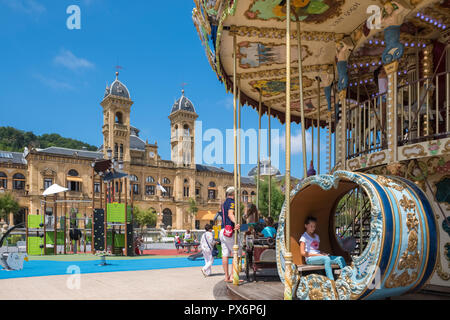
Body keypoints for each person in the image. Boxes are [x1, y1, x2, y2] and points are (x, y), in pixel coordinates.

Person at [299, 216, 346, 281]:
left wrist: (323, 253)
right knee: (326, 259)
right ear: (306, 225)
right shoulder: (304, 237)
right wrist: (319, 255)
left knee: (339, 258)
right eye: (311, 226)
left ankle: (346, 277)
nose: (313, 228)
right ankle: (331, 281)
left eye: (314, 226)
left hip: (320, 257)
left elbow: (316, 250)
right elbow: (303, 253)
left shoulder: (316, 236)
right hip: (310, 259)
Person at [219, 186, 241, 283]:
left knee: (225, 254)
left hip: (223, 230)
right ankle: (232, 276)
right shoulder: (232, 202)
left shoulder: (224, 203)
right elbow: (230, 214)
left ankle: (226, 276)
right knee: (238, 253)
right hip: (229, 230)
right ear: (233, 194)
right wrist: (236, 222)